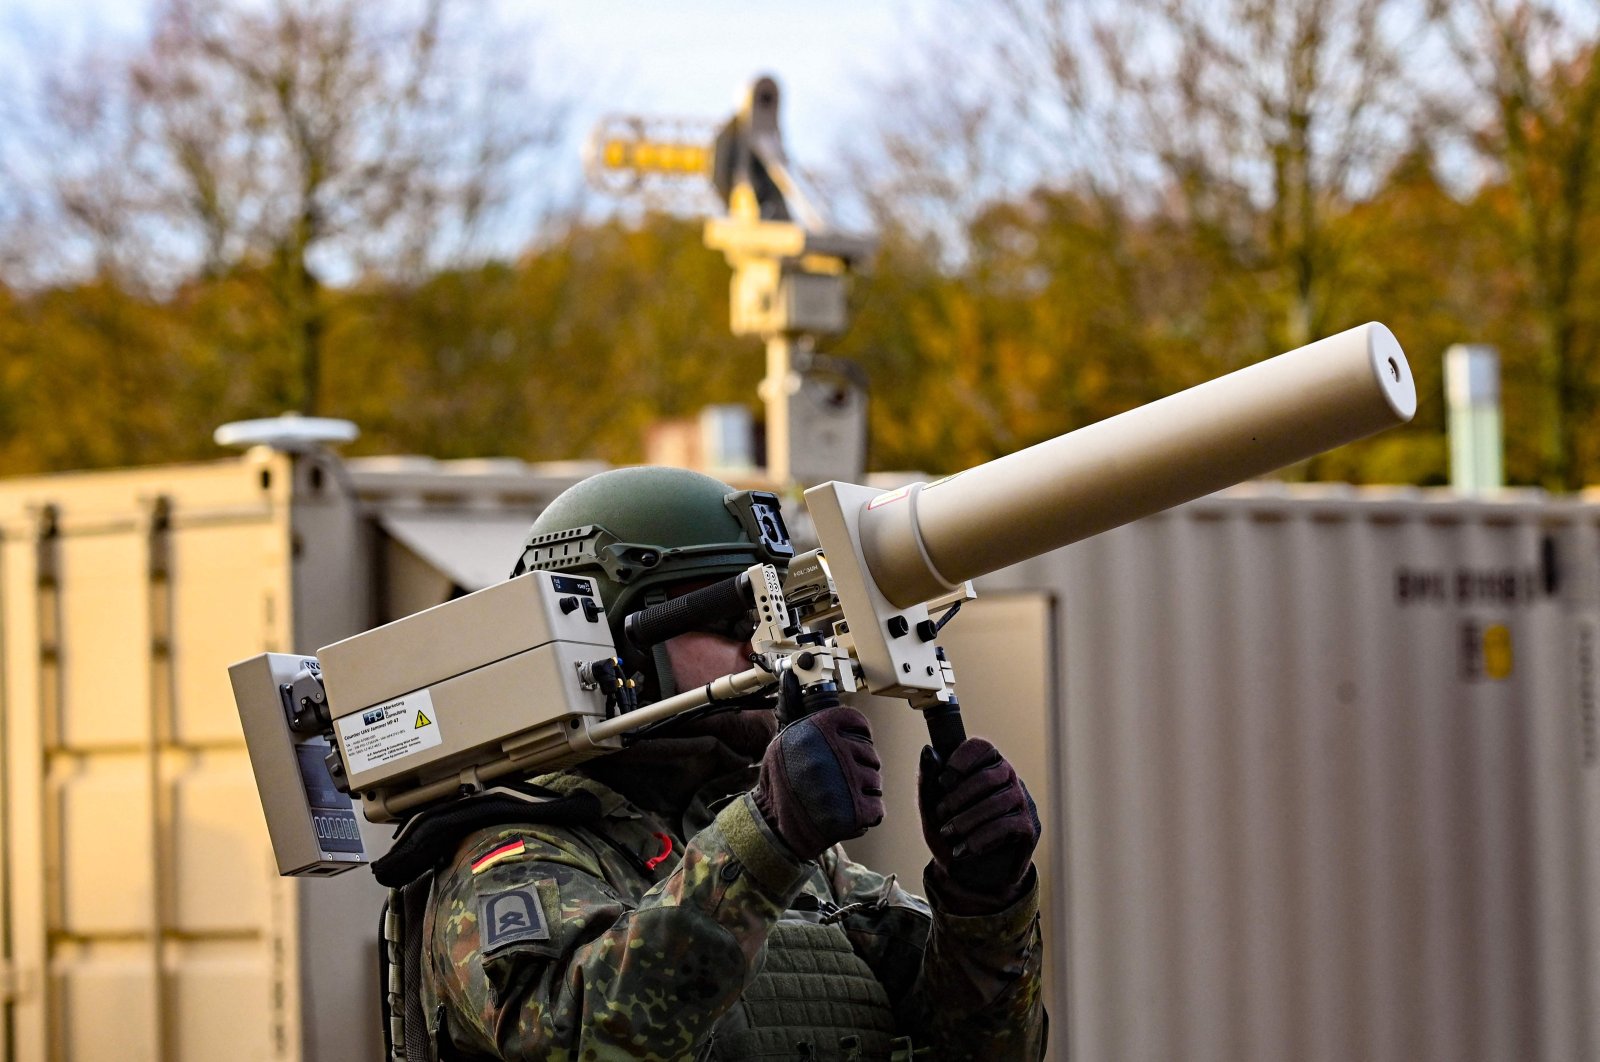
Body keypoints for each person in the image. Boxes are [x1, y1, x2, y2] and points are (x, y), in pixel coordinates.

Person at [418, 466, 1047, 1060]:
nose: (764, 647)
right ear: (614, 645)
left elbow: (983, 1049)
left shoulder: (804, 864)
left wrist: (983, 901)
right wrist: (767, 838)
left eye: (775, 618)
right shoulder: (511, 854)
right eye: (730, 622)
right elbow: (581, 1038)